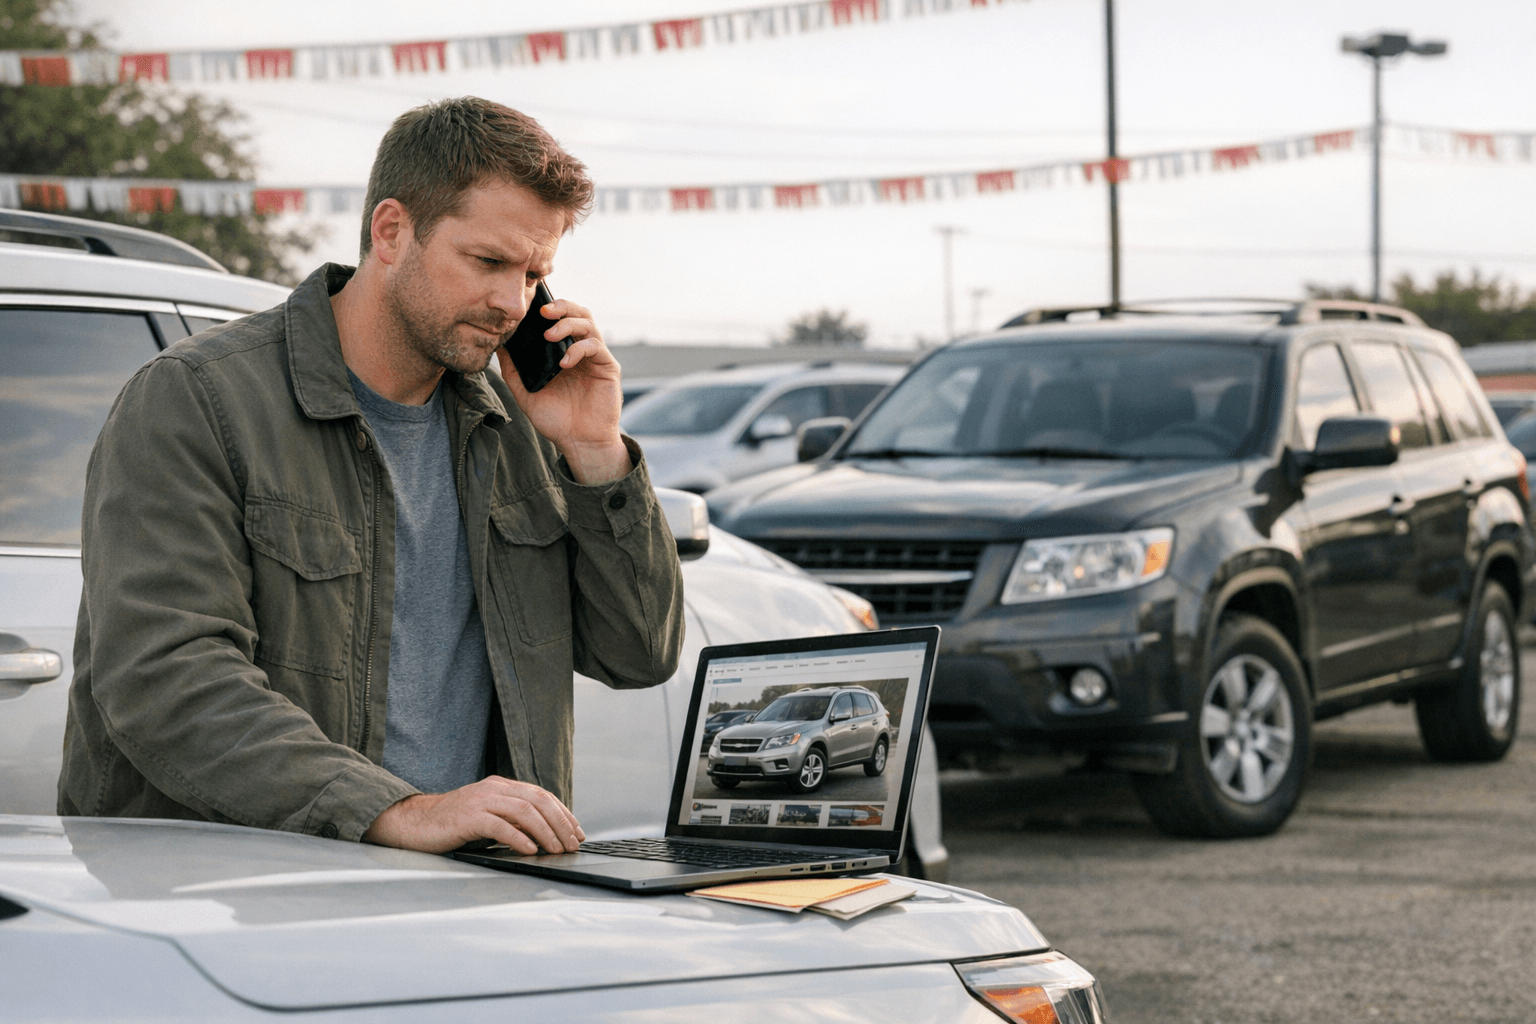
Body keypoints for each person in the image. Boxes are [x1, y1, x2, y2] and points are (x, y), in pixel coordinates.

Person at [58, 97, 685, 857]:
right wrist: (397, 809)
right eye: (488, 262)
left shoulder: (523, 425)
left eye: (534, 274)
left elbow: (638, 653)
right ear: (391, 231)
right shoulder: (198, 399)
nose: (511, 303)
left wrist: (596, 452)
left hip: (474, 894)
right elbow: (165, 677)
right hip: (233, 895)